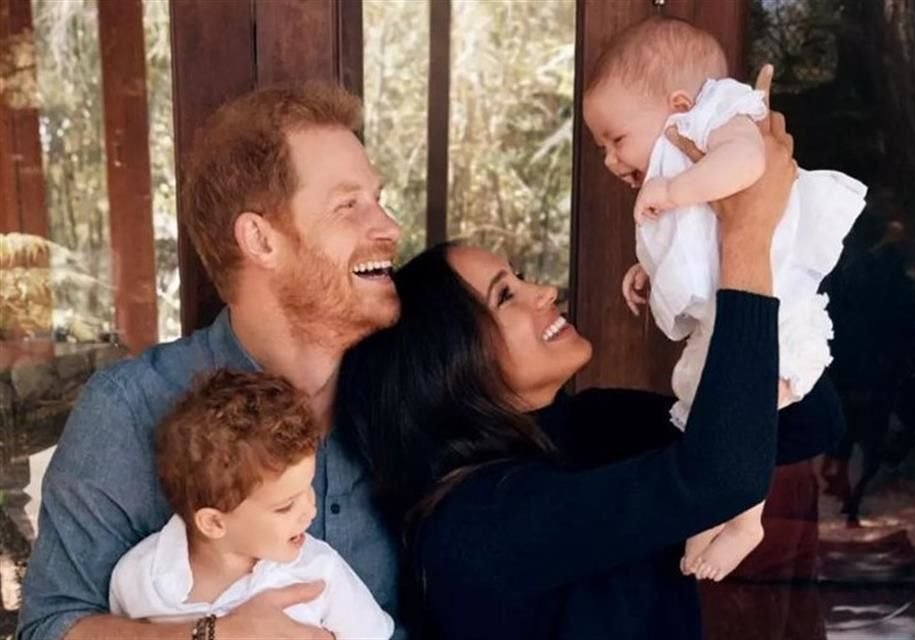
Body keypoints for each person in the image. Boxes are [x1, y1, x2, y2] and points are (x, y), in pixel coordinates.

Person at [336, 76, 845, 639]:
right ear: (446, 365)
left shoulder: (589, 425)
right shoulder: (476, 523)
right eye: (506, 295)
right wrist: (745, 237)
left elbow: (805, 422)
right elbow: (722, 476)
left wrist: (701, 274)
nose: (544, 293)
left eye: (522, 278)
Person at [17, 85, 404, 640]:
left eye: (378, 198)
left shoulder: (407, 390)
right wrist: (209, 636)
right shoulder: (128, 410)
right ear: (260, 240)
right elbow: (48, 626)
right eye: (350, 205)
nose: (388, 226)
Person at [581, 16, 866, 580]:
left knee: (744, 408)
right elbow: (699, 240)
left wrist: (673, 189)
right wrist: (648, 268)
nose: (612, 160)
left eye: (617, 140)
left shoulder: (722, 117)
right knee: (703, 402)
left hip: (776, 307)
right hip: (734, 307)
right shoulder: (681, 159)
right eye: (601, 149)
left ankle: (745, 518)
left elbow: (748, 165)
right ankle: (715, 507)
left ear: (680, 103)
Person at [108, 370, 394, 639]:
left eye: (308, 488)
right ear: (214, 522)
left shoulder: (319, 571)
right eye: (285, 507)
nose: (310, 511)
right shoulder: (140, 577)